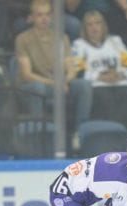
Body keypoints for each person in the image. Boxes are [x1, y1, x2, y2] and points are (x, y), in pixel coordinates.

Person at [15, 0, 93, 150]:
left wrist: (66, 80)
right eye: (40, 15)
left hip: (59, 84)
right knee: (37, 88)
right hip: (35, 86)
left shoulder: (62, 37)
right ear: (32, 17)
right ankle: (40, 132)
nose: (44, 18)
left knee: (84, 85)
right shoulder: (23, 39)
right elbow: (26, 74)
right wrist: (55, 83)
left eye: (47, 14)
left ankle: (79, 132)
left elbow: (71, 69)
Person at [72, 10, 127, 128]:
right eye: (90, 24)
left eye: (97, 23)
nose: (94, 28)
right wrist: (99, 76)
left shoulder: (115, 41)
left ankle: (122, 133)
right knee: (106, 100)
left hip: (120, 83)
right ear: (84, 28)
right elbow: (78, 70)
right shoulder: (79, 45)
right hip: (97, 86)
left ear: (103, 25)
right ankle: (112, 133)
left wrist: (121, 74)